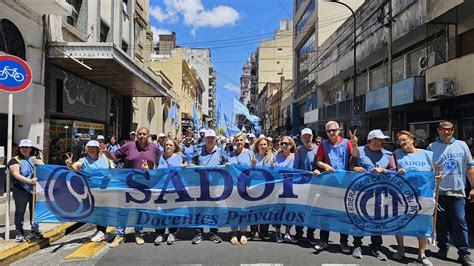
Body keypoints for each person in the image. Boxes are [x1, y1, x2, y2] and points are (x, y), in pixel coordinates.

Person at [101, 127, 161, 247]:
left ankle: (138, 233)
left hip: (144, 184)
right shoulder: (128, 146)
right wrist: (106, 152)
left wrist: (150, 171)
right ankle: (120, 235)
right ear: (137, 135)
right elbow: (114, 156)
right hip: (126, 183)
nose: (141, 136)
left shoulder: (154, 148)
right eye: (139, 134)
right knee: (123, 210)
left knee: (139, 210)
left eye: (144, 134)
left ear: (148, 136)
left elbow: (157, 165)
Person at [427, 121, 474, 265]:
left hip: (457, 192)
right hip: (438, 192)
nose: (446, 132)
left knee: (459, 222)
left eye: (449, 129)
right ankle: (443, 248)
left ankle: (464, 253)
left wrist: (473, 187)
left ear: (453, 130)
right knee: (440, 224)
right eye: (443, 129)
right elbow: (429, 169)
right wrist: (434, 178)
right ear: (438, 130)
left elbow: (470, 167)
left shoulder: (462, 145)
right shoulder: (431, 147)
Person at [392, 130, 437, 266]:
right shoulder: (397, 154)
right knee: (400, 221)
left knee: (422, 223)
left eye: (404, 139)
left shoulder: (427, 154)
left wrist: (437, 178)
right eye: (399, 141)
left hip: (423, 194)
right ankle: (400, 249)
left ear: (412, 139)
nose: (402, 143)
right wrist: (397, 172)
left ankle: (421, 254)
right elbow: (391, 170)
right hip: (403, 195)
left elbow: (433, 172)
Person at [315, 121, 359, 254]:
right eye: (329, 131)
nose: (332, 133)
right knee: (326, 213)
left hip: (344, 184)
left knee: (342, 214)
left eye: (334, 130)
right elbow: (318, 161)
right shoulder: (323, 145)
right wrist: (325, 166)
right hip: (329, 183)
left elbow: (355, 155)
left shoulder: (347, 142)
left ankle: (344, 242)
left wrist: (355, 144)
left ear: (339, 130)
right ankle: (323, 240)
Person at [352, 129, 395, 261]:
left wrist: (383, 170)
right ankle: (357, 245)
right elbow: (351, 165)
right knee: (359, 218)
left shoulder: (388, 154)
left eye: (383, 139)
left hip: (380, 192)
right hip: (361, 192)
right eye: (379, 139)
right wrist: (355, 168)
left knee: (377, 220)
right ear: (371, 140)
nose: (382, 141)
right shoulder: (358, 151)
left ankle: (376, 247)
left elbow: (394, 171)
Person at [65, 140, 115, 242]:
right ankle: (100, 230)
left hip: (106, 189)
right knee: (97, 211)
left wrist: (111, 171)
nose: (91, 149)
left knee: (102, 210)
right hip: (92, 190)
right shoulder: (84, 160)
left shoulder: (104, 157)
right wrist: (70, 165)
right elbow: (76, 167)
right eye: (89, 147)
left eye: (93, 147)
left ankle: (102, 231)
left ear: (97, 149)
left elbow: (112, 165)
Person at [190, 129, 227, 244]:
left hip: (216, 187)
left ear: (215, 139)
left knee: (214, 209)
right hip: (200, 185)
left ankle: (213, 232)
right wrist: (194, 167)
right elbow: (191, 163)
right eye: (208, 138)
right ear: (204, 139)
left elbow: (226, 164)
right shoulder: (198, 150)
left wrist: (226, 165)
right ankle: (199, 233)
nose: (210, 140)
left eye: (212, 138)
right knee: (199, 208)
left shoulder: (221, 151)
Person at [7, 139, 44, 242]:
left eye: (27, 147)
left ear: (31, 148)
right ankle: (19, 232)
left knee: (35, 211)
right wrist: (30, 181)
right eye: (22, 147)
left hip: (34, 190)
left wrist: (38, 160)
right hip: (20, 190)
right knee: (20, 211)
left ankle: (35, 230)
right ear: (19, 148)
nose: (24, 149)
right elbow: (16, 174)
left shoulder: (34, 159)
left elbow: (43, 168)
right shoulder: (15, 160)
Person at [152, 138, 185, 246]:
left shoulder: (180, 158)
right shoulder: (159, 157)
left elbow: (186, 169)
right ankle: (159, 234)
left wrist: (186, 166)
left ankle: (172, 233)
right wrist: (147, 169)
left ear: (174, 147)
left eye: (171, 145)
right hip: (160, 189)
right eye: (166, 145)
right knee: (159, 212)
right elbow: (154, 172)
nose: (168, 146)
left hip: (174, 189)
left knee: (173, 212)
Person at [226, 133, 253, 245]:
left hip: (246, 186)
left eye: (241, 140)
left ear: (245, 141)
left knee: (244, 210)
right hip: (233, 187)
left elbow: (255, 170)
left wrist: (254, 165)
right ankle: (233, 233)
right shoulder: (230, 155)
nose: (239, 142)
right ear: (234, 142)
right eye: (237, 140)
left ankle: (243, 233)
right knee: (234, 210)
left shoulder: (250, 154)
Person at [293, 128, 318, 244]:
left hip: (315, 185)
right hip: (301, 185)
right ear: (301, 138)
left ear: (312, 137)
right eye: (304, 137)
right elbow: (295, 167)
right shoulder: (299, 150)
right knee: (300, 210)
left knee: (312, 211)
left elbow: (321, 166)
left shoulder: (318, 150)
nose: (307, 138)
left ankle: (310, 234)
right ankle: (299, 233)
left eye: (309, 136)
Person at [250, 137, 275, 240]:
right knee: (254, 209)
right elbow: (250, 173)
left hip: (267, 187)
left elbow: (273, 173)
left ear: (268, 146)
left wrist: (273, 167)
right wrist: (253, 165)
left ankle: (264, 232)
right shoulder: (254, 156)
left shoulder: (272, 157)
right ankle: (254, 231)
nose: (263, 146)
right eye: (261, 144)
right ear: (258, 146)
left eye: (265, 144)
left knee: (265, 209)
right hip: (255, 186)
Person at [273, 136, 297, 243]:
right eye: (282, 143)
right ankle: (278, 232)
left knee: (289, 210)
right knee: (277, 210)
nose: (284, 145)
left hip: (291, 188)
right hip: (278, 188)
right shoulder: (276, 156)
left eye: (286, 143)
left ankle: (287, 232)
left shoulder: (296, 157)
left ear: (291, 145)